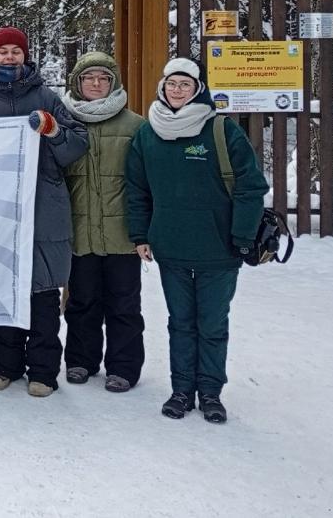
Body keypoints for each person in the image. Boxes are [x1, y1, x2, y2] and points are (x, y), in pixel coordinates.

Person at [126, 58, 266, 424]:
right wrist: (140, 235)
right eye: (172, 83)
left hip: (218, 249)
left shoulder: (220, 130)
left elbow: (251, 186)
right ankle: (181, 390)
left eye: (185, 84)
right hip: (170, 247)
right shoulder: (147, 132)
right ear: (163, 86)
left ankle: (210, 393)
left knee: (212, 324)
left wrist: (243, 236)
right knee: (181, 322)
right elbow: (137, 189)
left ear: (197, 89)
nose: (177, 90)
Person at [0, 27, 87, 397]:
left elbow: (78, 144)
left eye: (17, 52)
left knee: (43, 293)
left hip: (44, 207)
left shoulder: (47, 97)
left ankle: (44, 370)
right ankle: (5, 364)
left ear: (25, 56)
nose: (10, 58)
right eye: (4, 52)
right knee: (4, 289)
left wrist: (54, 131)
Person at [60, 52, 146, 392]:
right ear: (77, 83)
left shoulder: (135, 126)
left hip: (121, 233)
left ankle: (123, 367)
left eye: (103, 78)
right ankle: (80, 360)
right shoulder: (65, 123)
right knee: (81, 301)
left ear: (114, 83)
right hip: (79, 231)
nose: (96, 84)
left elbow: (145, 182)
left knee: (124, 304)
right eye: (89, 78)